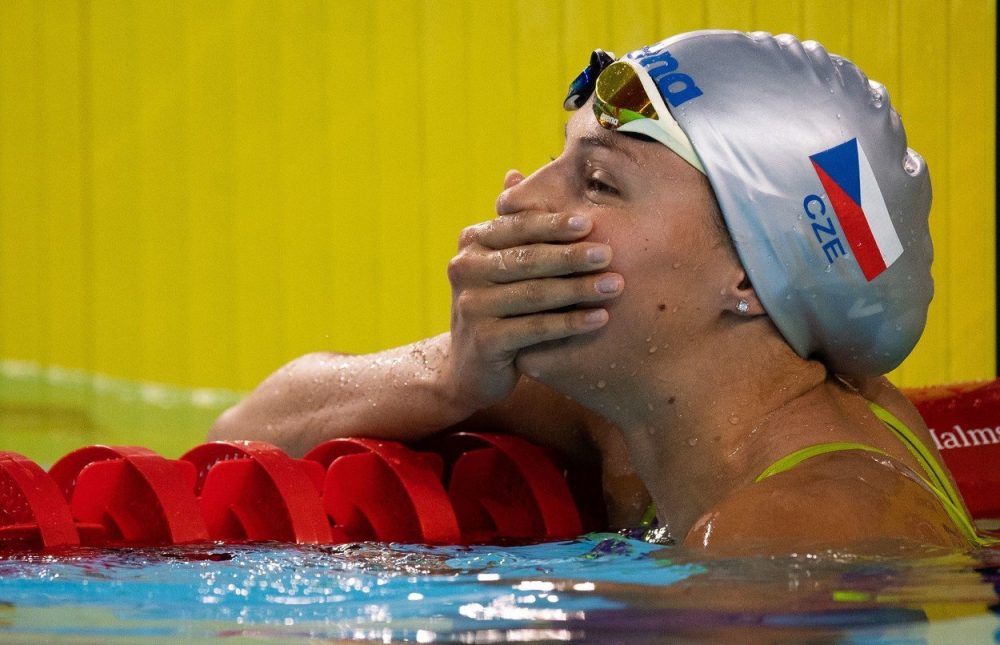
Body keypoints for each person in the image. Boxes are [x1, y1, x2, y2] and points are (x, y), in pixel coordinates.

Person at [211, 30, 990, 553]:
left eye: (598, 180)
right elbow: (245, 432)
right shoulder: (640, 409)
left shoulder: (796, 528)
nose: (519, 197)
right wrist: (452, 376)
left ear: (750, 278)